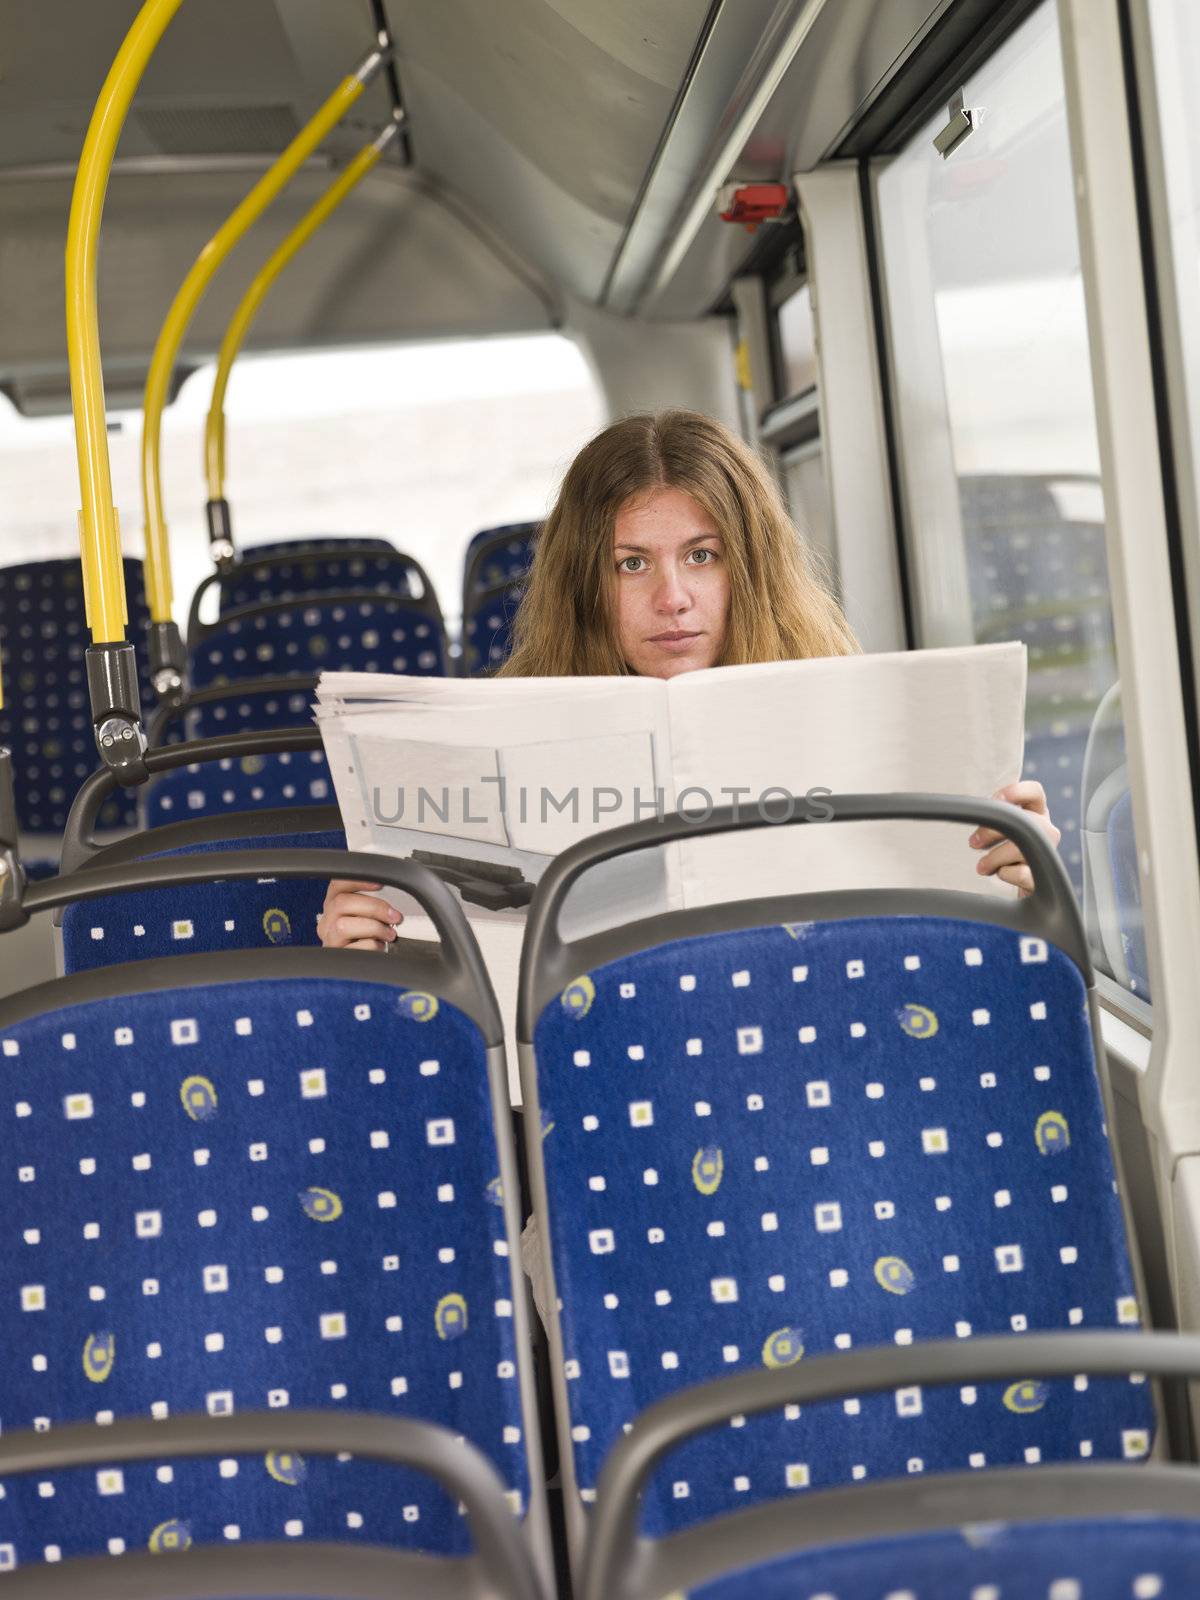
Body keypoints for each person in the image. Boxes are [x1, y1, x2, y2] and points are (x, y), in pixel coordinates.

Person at [318, 410, 1059, 947]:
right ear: (586, 585)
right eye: (631, 563)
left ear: (751, 568)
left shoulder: (859, 715)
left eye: (702, 555)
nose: (671, 597)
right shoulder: (493, 746)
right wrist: (370, 947)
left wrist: (1026, 878)